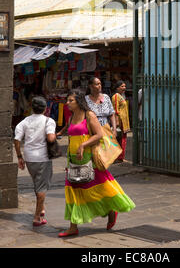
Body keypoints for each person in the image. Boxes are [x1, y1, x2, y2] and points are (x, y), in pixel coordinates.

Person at [59, 90, 135, 237]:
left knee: (101, 188)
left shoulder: (89, 115)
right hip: (74, 160)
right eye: (67, 101)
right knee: (72, 191)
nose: (67, 103)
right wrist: (68, 160)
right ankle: (73, 226)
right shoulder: (71, 117)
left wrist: (83, 145)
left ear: (79, 101)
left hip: (90, 159)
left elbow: (99, 134)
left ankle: (111, 210)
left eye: (70, 101)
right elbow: (70, 139)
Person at [14, 95, 56, 227]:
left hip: (29, 158)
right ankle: (37, 217)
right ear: (45, 109)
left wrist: (19, 156)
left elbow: (17, 139)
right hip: (42, 158)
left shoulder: (25, 121)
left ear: (32, 108)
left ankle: (41, 208)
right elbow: (50, 139)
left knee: (37, 183)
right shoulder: (48, 121)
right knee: (42, 187)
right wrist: (55, 135)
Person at [112, 81, 131, 162]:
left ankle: (121, 157)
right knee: (119, 140)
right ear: (117, 88)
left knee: (123, 140)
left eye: (124, 86)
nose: (124, 88)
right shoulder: (116, 96)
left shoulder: (121, 96)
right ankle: (118, 157)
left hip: (124, 121)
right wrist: (116, 123)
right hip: (120, 122)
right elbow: (115, 110)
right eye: (122, 86)